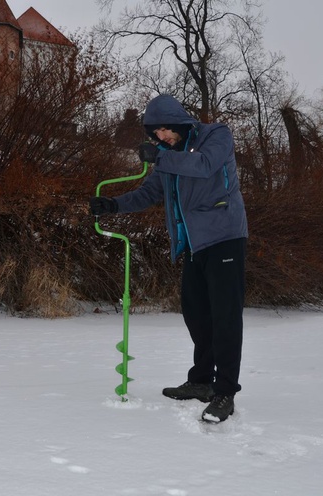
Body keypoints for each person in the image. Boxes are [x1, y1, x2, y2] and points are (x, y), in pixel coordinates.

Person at [89, 94, 248, 423]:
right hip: (193, 243)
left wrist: (160, 159)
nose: (161, 138)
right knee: (196, 314)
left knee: (225, 317)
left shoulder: (216, 135)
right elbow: (149, 192)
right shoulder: (168, 155)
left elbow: (203, 165)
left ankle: (225, 392)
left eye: (164, 130)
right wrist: (113, 205)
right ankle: (201, 381)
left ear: (178, 122)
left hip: (224, 237)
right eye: (155, 134)